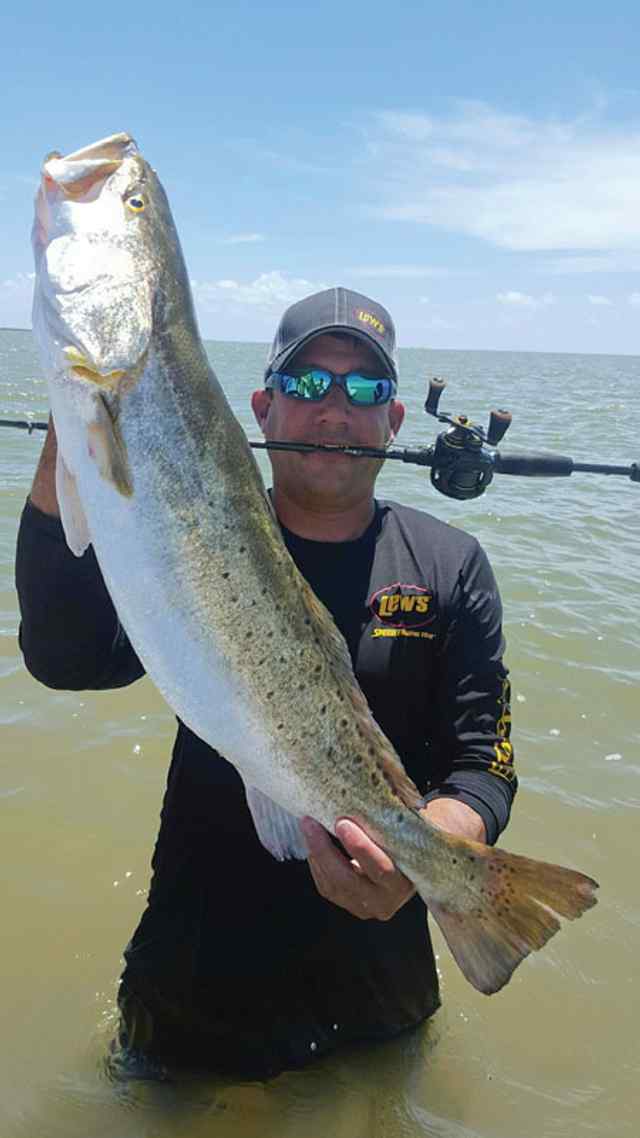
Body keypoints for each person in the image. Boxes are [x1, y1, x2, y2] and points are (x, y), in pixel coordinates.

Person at [15, 286, 516, 1080]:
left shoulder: (451, 567)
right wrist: (77, 432)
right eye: (309, 384)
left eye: (367, 389)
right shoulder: (183, 530)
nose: (335, 409)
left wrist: (432, 856)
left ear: (393, 421)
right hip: (195, 980)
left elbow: (483, 763)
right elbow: (67, 658)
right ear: (262, 407)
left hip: (378, 993)